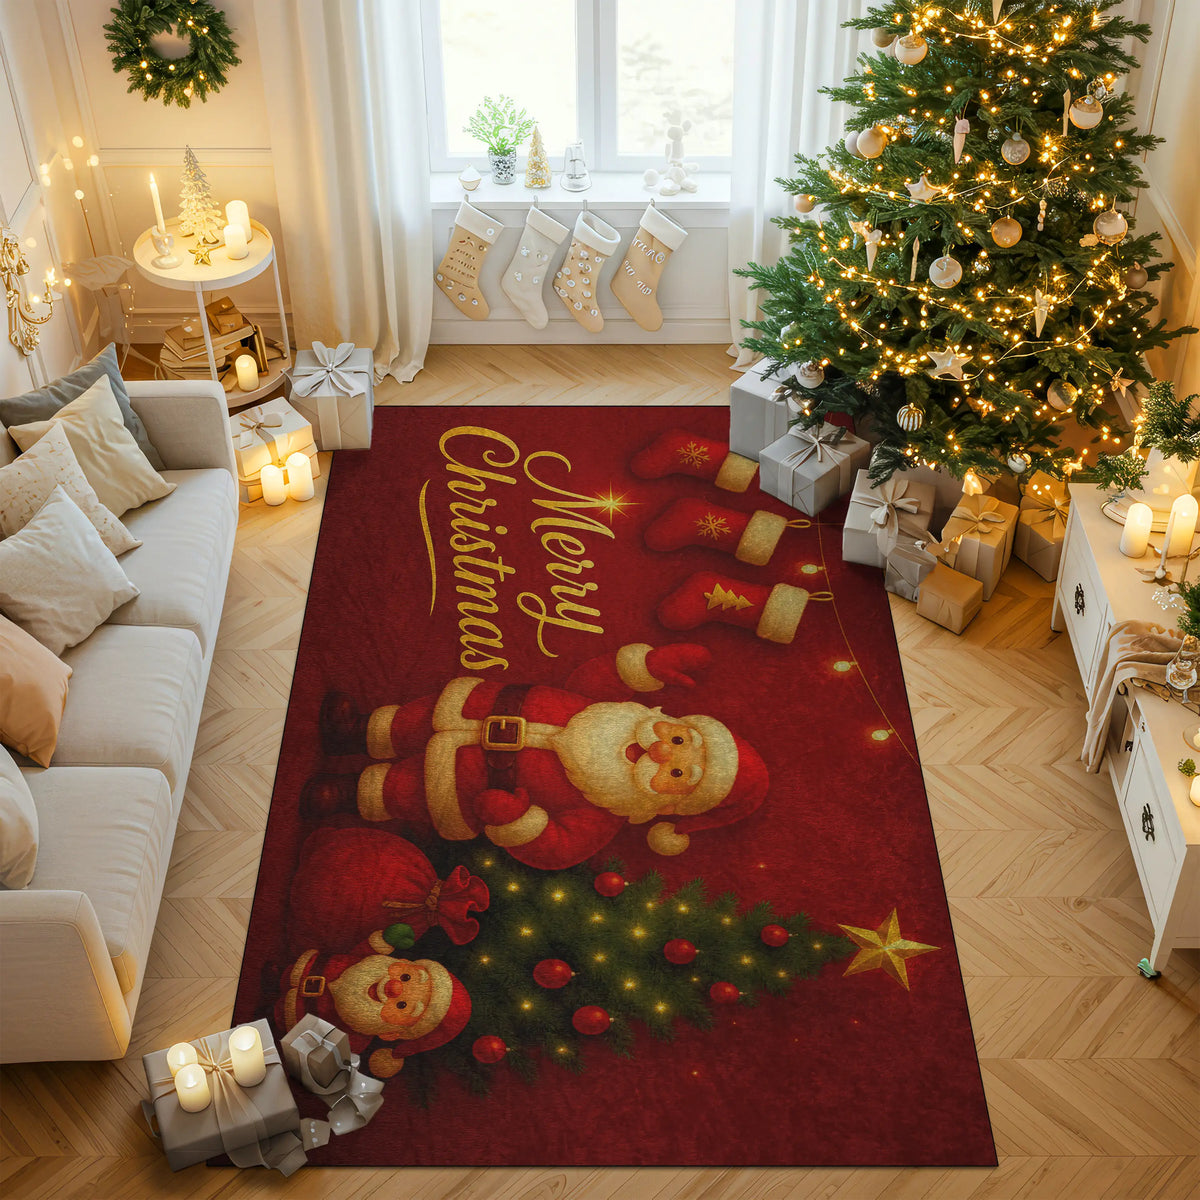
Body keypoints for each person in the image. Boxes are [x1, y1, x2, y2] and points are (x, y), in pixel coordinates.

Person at [302, 642, 769, 869]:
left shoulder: (601, 814)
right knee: (407, 721)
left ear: (668, 805)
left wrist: (517, 822)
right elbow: (596, 677)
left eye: (678, 772)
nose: (661, 749)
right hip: (472, 708)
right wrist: (646, 665)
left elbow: (558, 849)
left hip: (459, 784)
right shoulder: (607, 710)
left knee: (401, 790)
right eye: (681, 741)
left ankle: (349, 794)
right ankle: (358, 732)